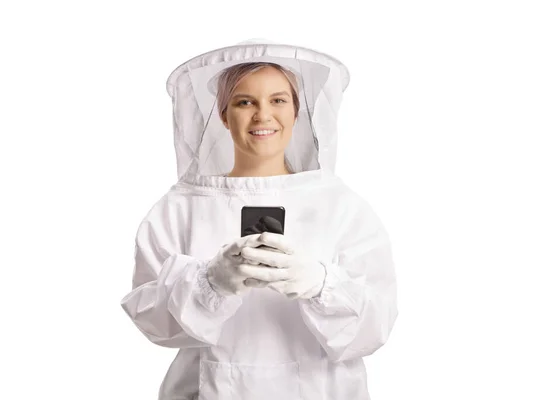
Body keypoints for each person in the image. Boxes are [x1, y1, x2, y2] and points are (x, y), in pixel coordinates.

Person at [120, 39, 398, 400]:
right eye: (244, 101)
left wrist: (320, 284)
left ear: (298, 112)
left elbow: (376, 325)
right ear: (222, 114)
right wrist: (209, 282)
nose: (262, 115)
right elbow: (152, 321)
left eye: (278, 100)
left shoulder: (341, 206)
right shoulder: (180, 207)